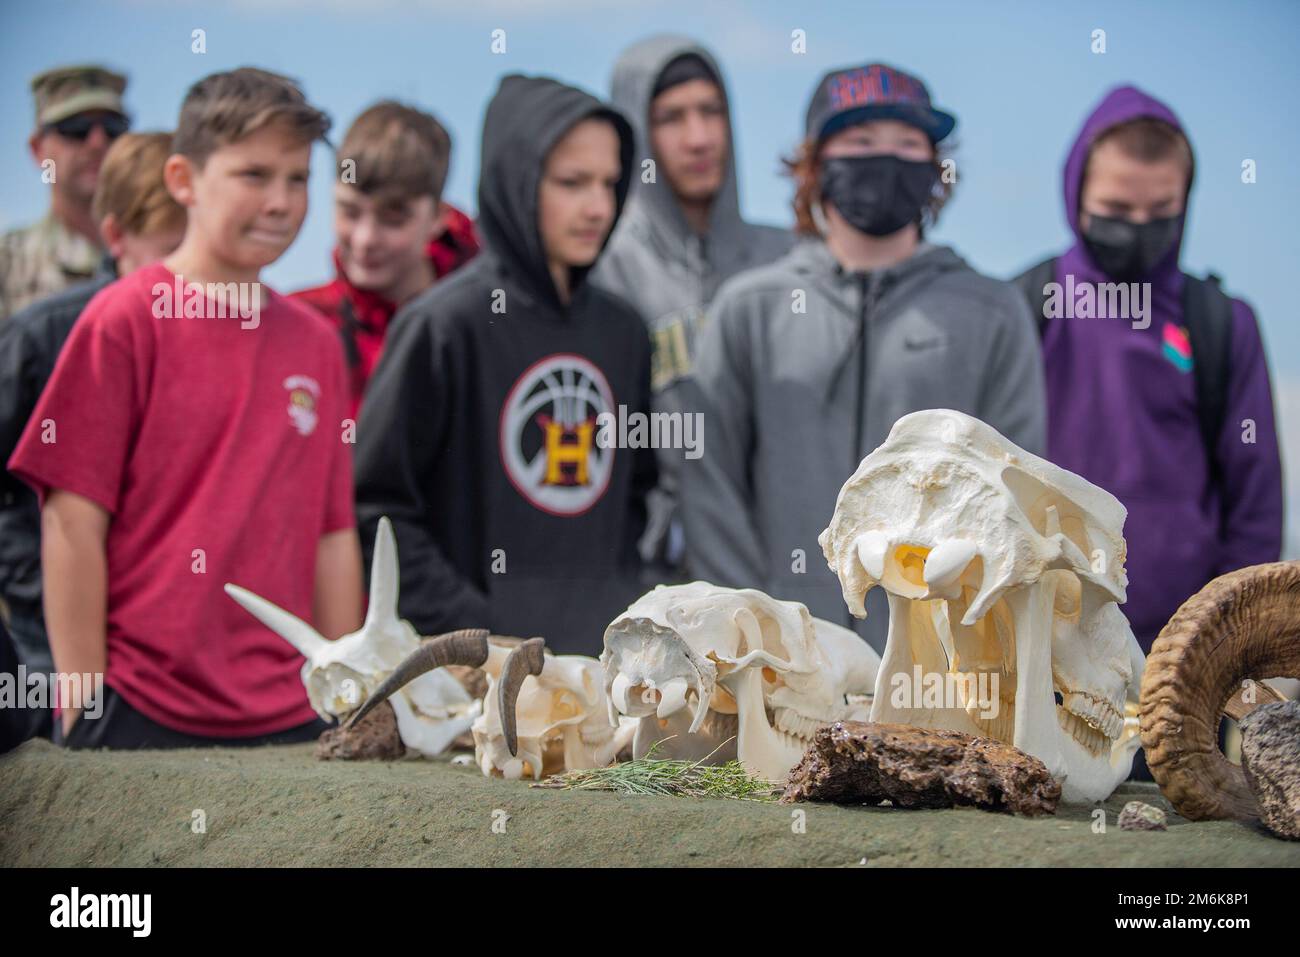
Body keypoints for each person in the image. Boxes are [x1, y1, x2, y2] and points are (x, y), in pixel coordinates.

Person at [8, 68, 362, 748]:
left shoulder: (316, 342)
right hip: (142, 709)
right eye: (253, 175)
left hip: (293, 712)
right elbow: (71, 522)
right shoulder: (123, 320)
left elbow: (332, 532)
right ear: (183, 180)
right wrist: (83, 693)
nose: (282, 200)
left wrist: (342, 682)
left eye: (297, 178)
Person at [681, 63, 1045, 652]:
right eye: (860, 141)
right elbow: (710, 486)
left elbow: (1016, 492)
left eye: (907, 143)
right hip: (779, 669)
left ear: (935, 164)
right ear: (815, 164)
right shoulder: (750, 307)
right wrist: (754, 634)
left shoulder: (990, 310)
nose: (885, 158)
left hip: (940, 670)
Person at [354, 74, 655, 656]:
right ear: (516, 180)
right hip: (465, 680)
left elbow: (636, 495)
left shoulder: (624, 332)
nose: (598, 206)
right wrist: (478, 633)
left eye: (609, 183)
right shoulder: (442, 325)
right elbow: (378, 512)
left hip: (602, 672)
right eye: (572, 182)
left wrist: (616, 601)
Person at [1013, 85, 1282, 652]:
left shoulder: (1221, 323)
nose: (1138, 227)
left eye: (1161, 212)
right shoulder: (1021, 307)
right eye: (1115, 211)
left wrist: (1231, 642)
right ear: (1075, 193)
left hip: (1178, 654)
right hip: (1036, 647)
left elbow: (1254, 501)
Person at [0, 131, 186, 735]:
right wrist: (33, 586)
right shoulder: (42, 337)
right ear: (116, 237)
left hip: (179, 656)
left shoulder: (230, 335)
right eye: (169, 252)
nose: (190, 277)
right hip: (50, 644)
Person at [591, 35, 792, 575]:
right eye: (672, 118)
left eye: (711, 111)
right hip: (657, 574)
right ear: (635, 130)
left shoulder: (788, 260)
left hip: (781, 561)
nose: (699, 137)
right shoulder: (603, 266)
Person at [291, 101, 479, 420]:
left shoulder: (483, 327)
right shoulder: (299, 326)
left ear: (437, 218)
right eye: (349, 212)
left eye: (392, 220)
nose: (365, 240)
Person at [0, 65, 130, 321]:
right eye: (76, 128)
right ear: (38, 149)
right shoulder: (10, 264)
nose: (97, 143)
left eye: (113, 127)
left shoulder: (167, 254)